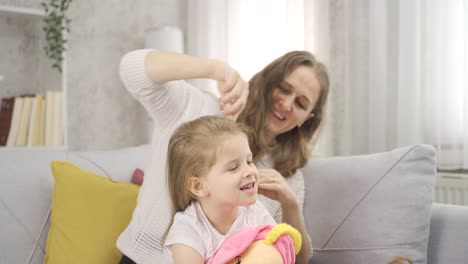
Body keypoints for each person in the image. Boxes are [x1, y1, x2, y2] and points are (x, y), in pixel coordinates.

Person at [117, 48, 330, 264]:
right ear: (266, 82)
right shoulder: (197, 109)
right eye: (283, 89)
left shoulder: (288, 178)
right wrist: (215, 69)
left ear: (308, 118)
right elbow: (132, 68)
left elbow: (295, 258)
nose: (286, 104)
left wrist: (289, 204)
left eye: (301, 103)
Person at [161, 116, 276, 263]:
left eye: (249, 161)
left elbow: (278, 251)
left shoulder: (255, 212)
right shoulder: (187, 231)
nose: (249, 171)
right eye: (233, 167)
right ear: (199, 186)